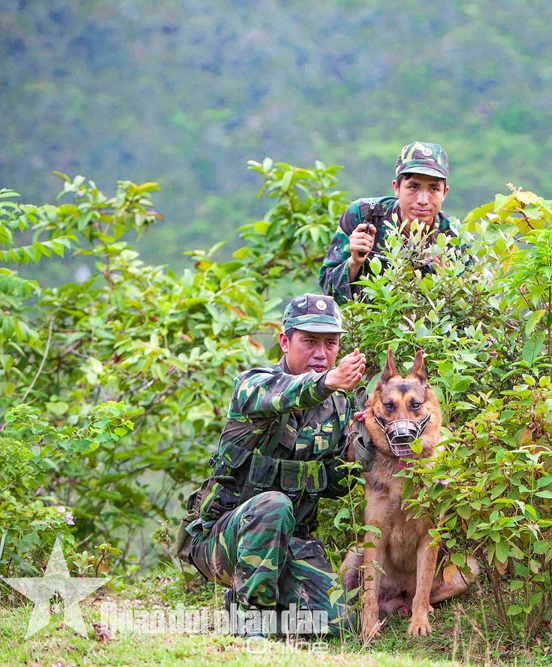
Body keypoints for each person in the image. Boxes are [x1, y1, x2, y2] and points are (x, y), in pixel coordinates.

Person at [180, 293, 373, 637]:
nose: (321, 353)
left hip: (290, 543)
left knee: (336, 626)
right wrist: (328, 381)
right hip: (223, 540)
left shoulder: (339, 409)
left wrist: (361, 444)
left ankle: (264, 606)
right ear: (285, 341)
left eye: (331, 343)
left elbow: (335, 485)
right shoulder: (254, 384)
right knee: (273, 504)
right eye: (309, 341)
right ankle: (250, 621)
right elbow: (290, 393)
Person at [319, 141, 460, 304]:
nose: (423, 200)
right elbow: (327, 292)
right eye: (413, 187)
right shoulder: (364, 215)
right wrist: (354, 263)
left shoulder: (454, 235)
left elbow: (470, 309)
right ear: (397, 188)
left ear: (445, 193)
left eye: (433, 189)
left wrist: (448, 280)